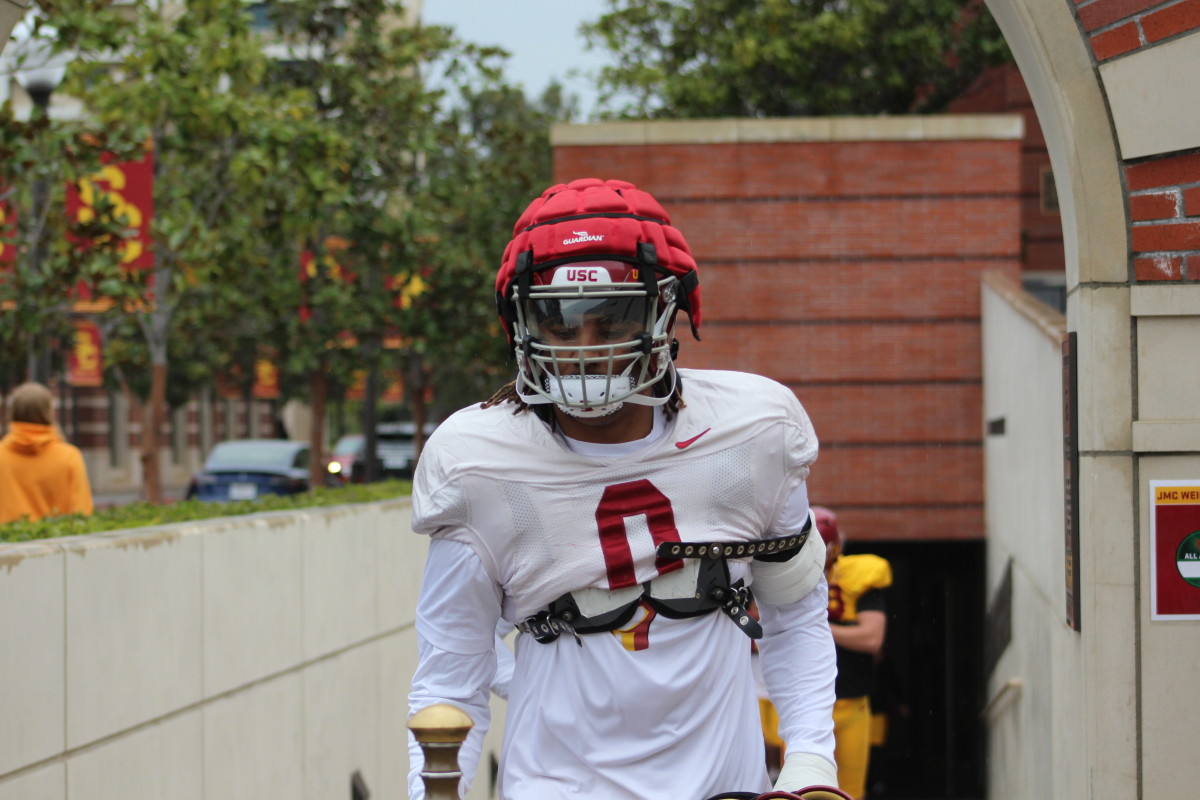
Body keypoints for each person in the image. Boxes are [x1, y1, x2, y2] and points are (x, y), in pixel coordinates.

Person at [407, 177, 844, 800]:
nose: (585, 351)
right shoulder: (477, 463)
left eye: (611, 321)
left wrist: (809, 766)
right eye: (560, 326)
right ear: (521, 325)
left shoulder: (754, 431)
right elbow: (449, 680)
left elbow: (796, 615)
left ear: (666, 313)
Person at [813, 507, 892, 800]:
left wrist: (817, 626)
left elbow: (872, 638)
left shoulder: (858, 575)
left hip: (851, 701)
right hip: (803, 704)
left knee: (849, 793)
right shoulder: (782, 577)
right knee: (802, 790)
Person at [0, 382, 94, 524]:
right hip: (56, 541)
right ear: (49, 412)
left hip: (8, 541)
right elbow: (82, 511)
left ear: (13, 412)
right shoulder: (69, 456)